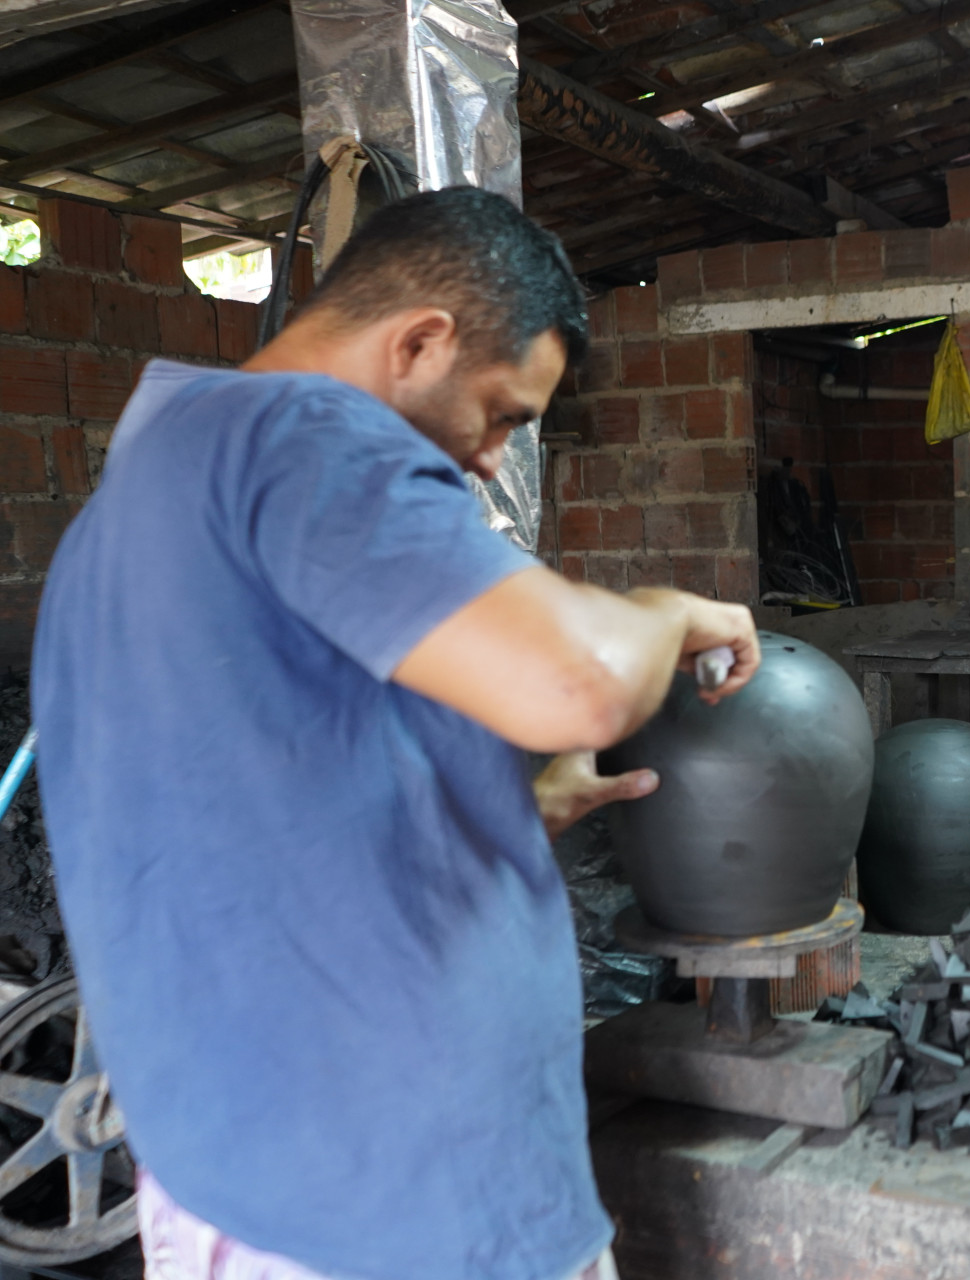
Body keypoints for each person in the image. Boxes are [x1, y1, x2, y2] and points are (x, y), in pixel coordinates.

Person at [31, 188, 760, 1280]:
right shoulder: (304, 433)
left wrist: (500, 808)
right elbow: (584, 683)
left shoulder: (140, 492)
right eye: (505, 414)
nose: (489, 461)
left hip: (247, 1181)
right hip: (400, 1207)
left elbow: (241, 815)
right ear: (420, 342)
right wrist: (668, 611)